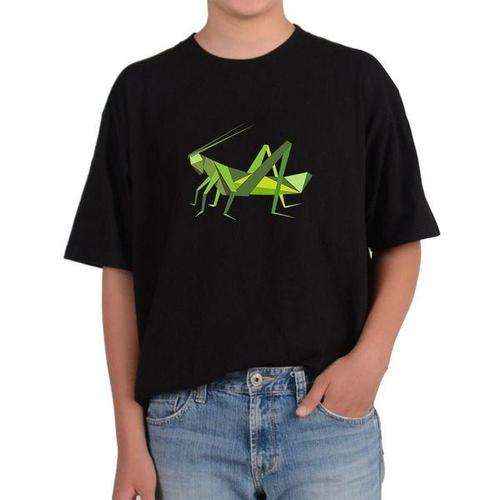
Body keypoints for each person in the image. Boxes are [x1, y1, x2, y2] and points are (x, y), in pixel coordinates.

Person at [64, 0, 440, 498]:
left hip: (324, 418)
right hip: (186, 429)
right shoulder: (141, 92)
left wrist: (370, 362)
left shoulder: (357, 81)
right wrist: (128, 437)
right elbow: (120, 271)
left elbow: (400, 239)